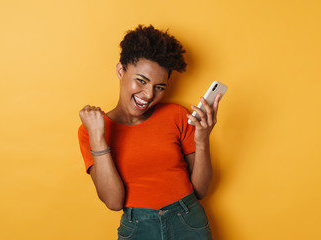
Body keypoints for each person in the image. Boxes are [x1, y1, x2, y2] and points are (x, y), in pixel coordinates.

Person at [78, 25, 221, 240]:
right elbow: (114, 202)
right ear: (120, 71)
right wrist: (98, 138)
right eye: (141, 81)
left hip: (188, 222)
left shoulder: (177, 115)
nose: (148, 94)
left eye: (159, 87)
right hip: (138, 229)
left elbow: (200, 191)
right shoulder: (92, 128)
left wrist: (202, 141)